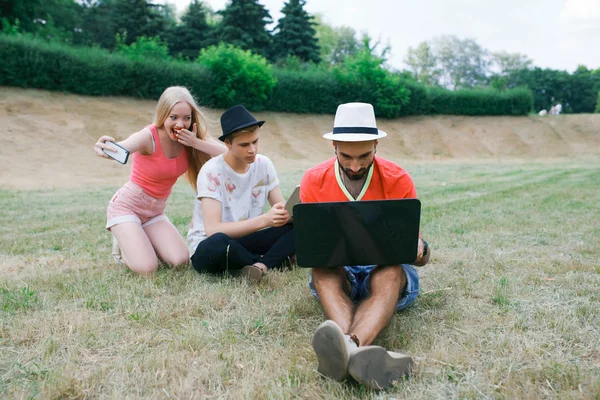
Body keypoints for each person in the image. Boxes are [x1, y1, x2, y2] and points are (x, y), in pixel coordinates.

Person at [300, 102, 431, 389]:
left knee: (391, 271)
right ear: (334, 145)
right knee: (323, 270)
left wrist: (420, 249)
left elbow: (418, 253)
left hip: (385, 274)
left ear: (376, 145)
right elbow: (312, 248)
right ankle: (357, 353)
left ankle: (347, 347)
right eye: (346, 156)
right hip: (336, 272)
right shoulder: (313, 179)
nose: (355, 165)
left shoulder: (398, 179)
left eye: (364, 156)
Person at [93, 86, 227, 275]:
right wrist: (105, 148)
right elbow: (124, 147)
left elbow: (230, 155)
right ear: (163, 114)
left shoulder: (189, 139)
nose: (181, 123)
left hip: (154, 213)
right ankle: (123, 242)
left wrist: (196, 143)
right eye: (173, 117)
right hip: (127, 207)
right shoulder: (148, 136)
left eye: (186, 118)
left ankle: (138, 236)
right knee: (148, 269)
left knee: (180, 260)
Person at [187, 105, 295, 282]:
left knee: (298, 227)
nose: (252, 149)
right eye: (244, 145)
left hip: (247, 239)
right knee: (219, 243)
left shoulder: (263, 164)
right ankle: (271, 260)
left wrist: (291, 213)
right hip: (212, 245)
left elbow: (281, 210)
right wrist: (266, 220)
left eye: (255, 141)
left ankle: (261, 266)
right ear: (227, 144)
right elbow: (213, 230)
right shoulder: (211, 172)